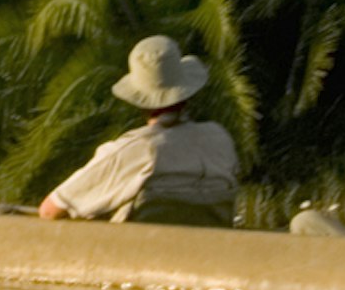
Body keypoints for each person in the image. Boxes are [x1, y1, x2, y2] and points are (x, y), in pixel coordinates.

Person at [38, 36, 241, 226]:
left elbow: (50, 210)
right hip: (207, 253)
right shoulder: (219, 139)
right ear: (187, 92)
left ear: (139, 101)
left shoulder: (137, 150)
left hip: (139, 255)